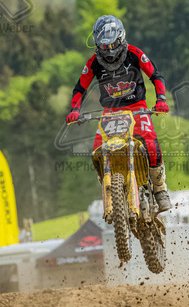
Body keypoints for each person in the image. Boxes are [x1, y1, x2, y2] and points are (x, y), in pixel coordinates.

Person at [66, 15, 172, 212]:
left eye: (112, 45)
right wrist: (74, 110)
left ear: (121, 38)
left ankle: (160, 189)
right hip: (110, 112)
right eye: (103, 46)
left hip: (137, 107)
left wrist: (161, 99)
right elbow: (80, 88)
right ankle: (108, 183)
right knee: (97, 148)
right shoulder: (93, 63)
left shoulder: (134, 53)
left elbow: (156, 75)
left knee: (150, 142)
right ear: (97, 44)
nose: (109, 51)